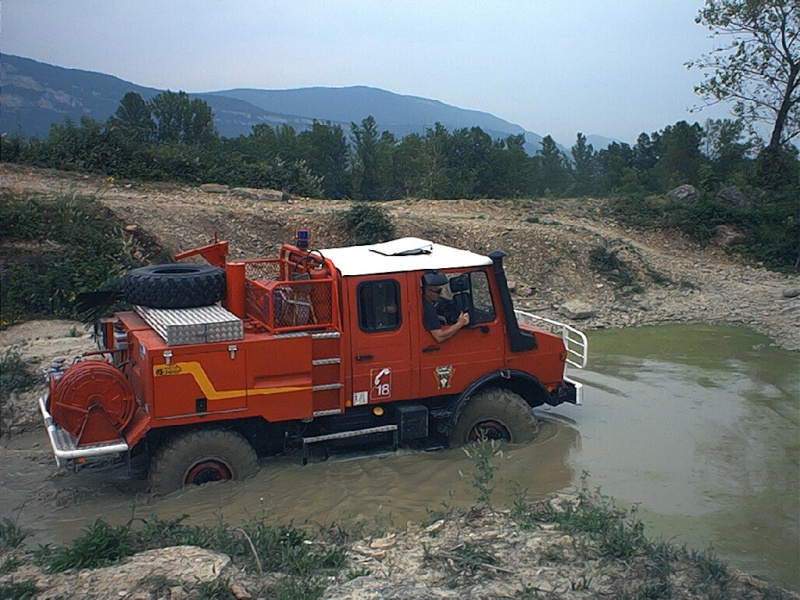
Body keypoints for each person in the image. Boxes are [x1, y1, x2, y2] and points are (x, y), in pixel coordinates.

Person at [422, 272, 469, 343]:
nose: (440, 294)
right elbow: (439, 337)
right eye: (438, 291)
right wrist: (460, 324)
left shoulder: (423, 302)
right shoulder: (428, 310)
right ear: (428, 292)